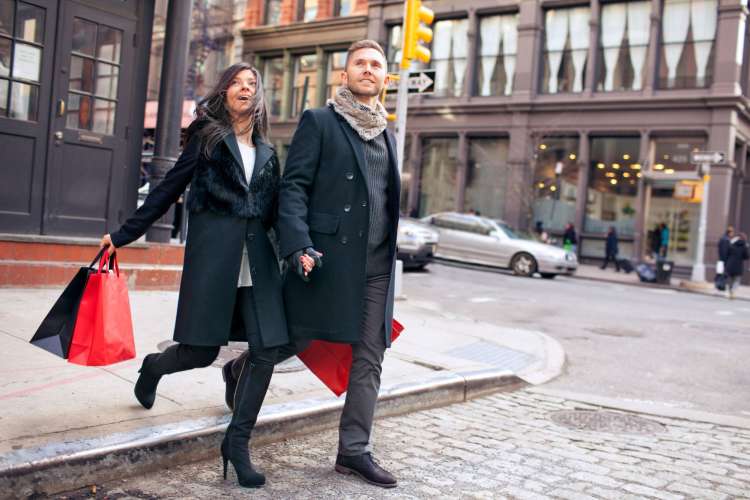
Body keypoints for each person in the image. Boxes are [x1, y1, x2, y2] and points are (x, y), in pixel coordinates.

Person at [100, 63, 305, 488]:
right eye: (237, 83)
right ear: (224, 92)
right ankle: (154, 368)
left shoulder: (268, 151)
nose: (245, 89)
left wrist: (299, 250)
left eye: (252, 84)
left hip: (258, 263)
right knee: (200, 352)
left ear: (260, 96)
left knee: (268, 349)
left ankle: (238, 442)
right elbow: (168, 188)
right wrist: (123, 235)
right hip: (214, 260)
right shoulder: (207, 139)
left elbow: (278, 213)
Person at [222, 39, 401, 489]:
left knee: (369, 355)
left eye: (376, 64)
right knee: (296, 340)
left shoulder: (388, 132)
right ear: (344, 75)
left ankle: (353, 451)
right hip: (323, 259)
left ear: (385, 77)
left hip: (377, 266)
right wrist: (298, 244)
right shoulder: (320, 121)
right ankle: (240, 368)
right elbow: (295, 187)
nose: (368, 69)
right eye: (359, 63)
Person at [725, 231, 749, 299]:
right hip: (738, 265)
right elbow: (746, 256)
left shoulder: (732, 244)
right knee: (737, 280)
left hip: (730, 264)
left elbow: (727, 253)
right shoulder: (744, 245)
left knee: (730, 279)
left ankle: (730, 291)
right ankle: (733, 291)